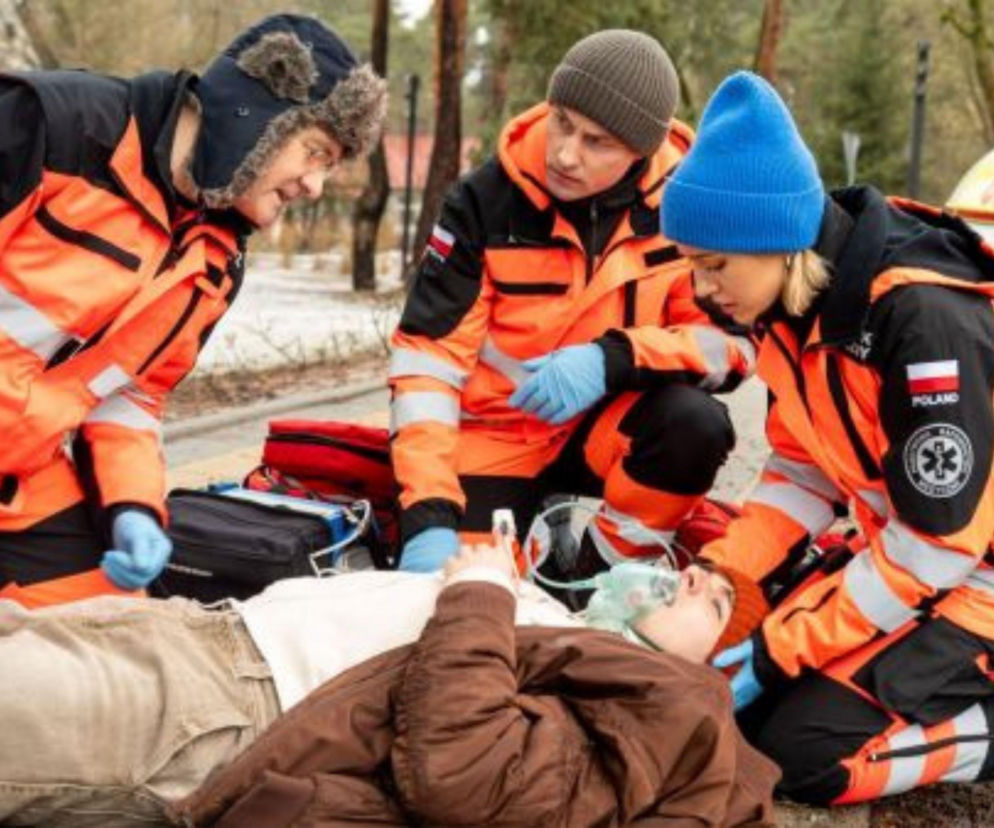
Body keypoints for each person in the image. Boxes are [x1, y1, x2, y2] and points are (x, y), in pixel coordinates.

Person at [661, 70, 994, 805]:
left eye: (712, 265)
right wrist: (725, 571)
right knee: (744, 707)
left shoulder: (921, 321)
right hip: (911, 560)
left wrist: (778, 650)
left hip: (971, 580)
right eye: (691, 266)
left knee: (801, 756)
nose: (701, 289)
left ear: (776, 240)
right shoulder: (793, 306)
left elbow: (940, 543)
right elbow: (801, 472)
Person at [0, 14, 386, 608]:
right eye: (315, 152)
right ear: (254, 113)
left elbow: (131, 398)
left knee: (118, 639)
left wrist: (132, 509)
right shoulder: (54, 127)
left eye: (329, 167)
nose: (314, 186)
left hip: (23, 483)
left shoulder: (217, 262)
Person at [0, 547, 773, 826]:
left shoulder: (676, 713)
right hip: (201, 635)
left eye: (718, 601)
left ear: (721, 667)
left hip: (216, 709)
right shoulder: (593, 660)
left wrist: (481, 598)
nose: (696, 575)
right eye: (694, 568)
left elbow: (465, 773)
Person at [389, 30, 755, 575]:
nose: (565, 154)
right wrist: (428, 516)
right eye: (562, 121)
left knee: (694, 426)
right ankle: (531, 538)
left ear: (641, 152)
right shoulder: (482, 203)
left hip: (610, 428)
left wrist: (612, 361)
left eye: (597, 142)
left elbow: (733, 349)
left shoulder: (689, 207)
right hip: (499, 435)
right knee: (465, 595)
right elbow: (426, 368)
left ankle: (592, 575)